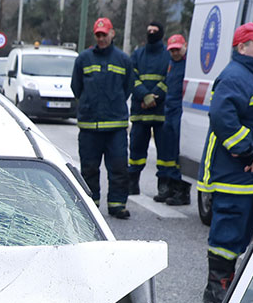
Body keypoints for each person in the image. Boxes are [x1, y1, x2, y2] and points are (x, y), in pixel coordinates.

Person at [198, 22, 253, 303]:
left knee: (243, 228)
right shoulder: (235, 76)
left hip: (249, 175)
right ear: (242, 47)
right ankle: (217, 285)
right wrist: (245, 151)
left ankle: (229, 281)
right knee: (229, 225)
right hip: (235, 171)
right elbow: (223, 118)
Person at [70, 17, 136, 219]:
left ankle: (117, 205)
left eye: (104, 35)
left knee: (118, 167)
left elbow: (128, 87)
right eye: (98, 35)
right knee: (89, 168)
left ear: (112, 34)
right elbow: (76, 87)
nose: (101, 39)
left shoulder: (123, 60)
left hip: (115, 126)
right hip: (89, 126)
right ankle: (91, 206)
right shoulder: (83, 59)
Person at [126, 21, 181, 204]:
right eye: (148, 30)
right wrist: (144, 95)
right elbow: (131, 77)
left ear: (161, 34)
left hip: (160, 112)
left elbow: (169, 78)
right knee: (135, 149)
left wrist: (154, 97)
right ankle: (132, 182)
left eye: (154, 31)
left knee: (165, 152)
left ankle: (163, 185)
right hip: (141, 111)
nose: (151, 33)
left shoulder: (168, 55)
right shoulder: (138, 54)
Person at [159, 33, 190, 206]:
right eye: (172, 50)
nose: (175, 53)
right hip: (169, 110)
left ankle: (182, 191)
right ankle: (170, 186)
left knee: (180, 153)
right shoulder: (171, 64)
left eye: (178, 49)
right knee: (170, 152)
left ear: (184, 46)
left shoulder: (188, 65)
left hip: (180, 111)